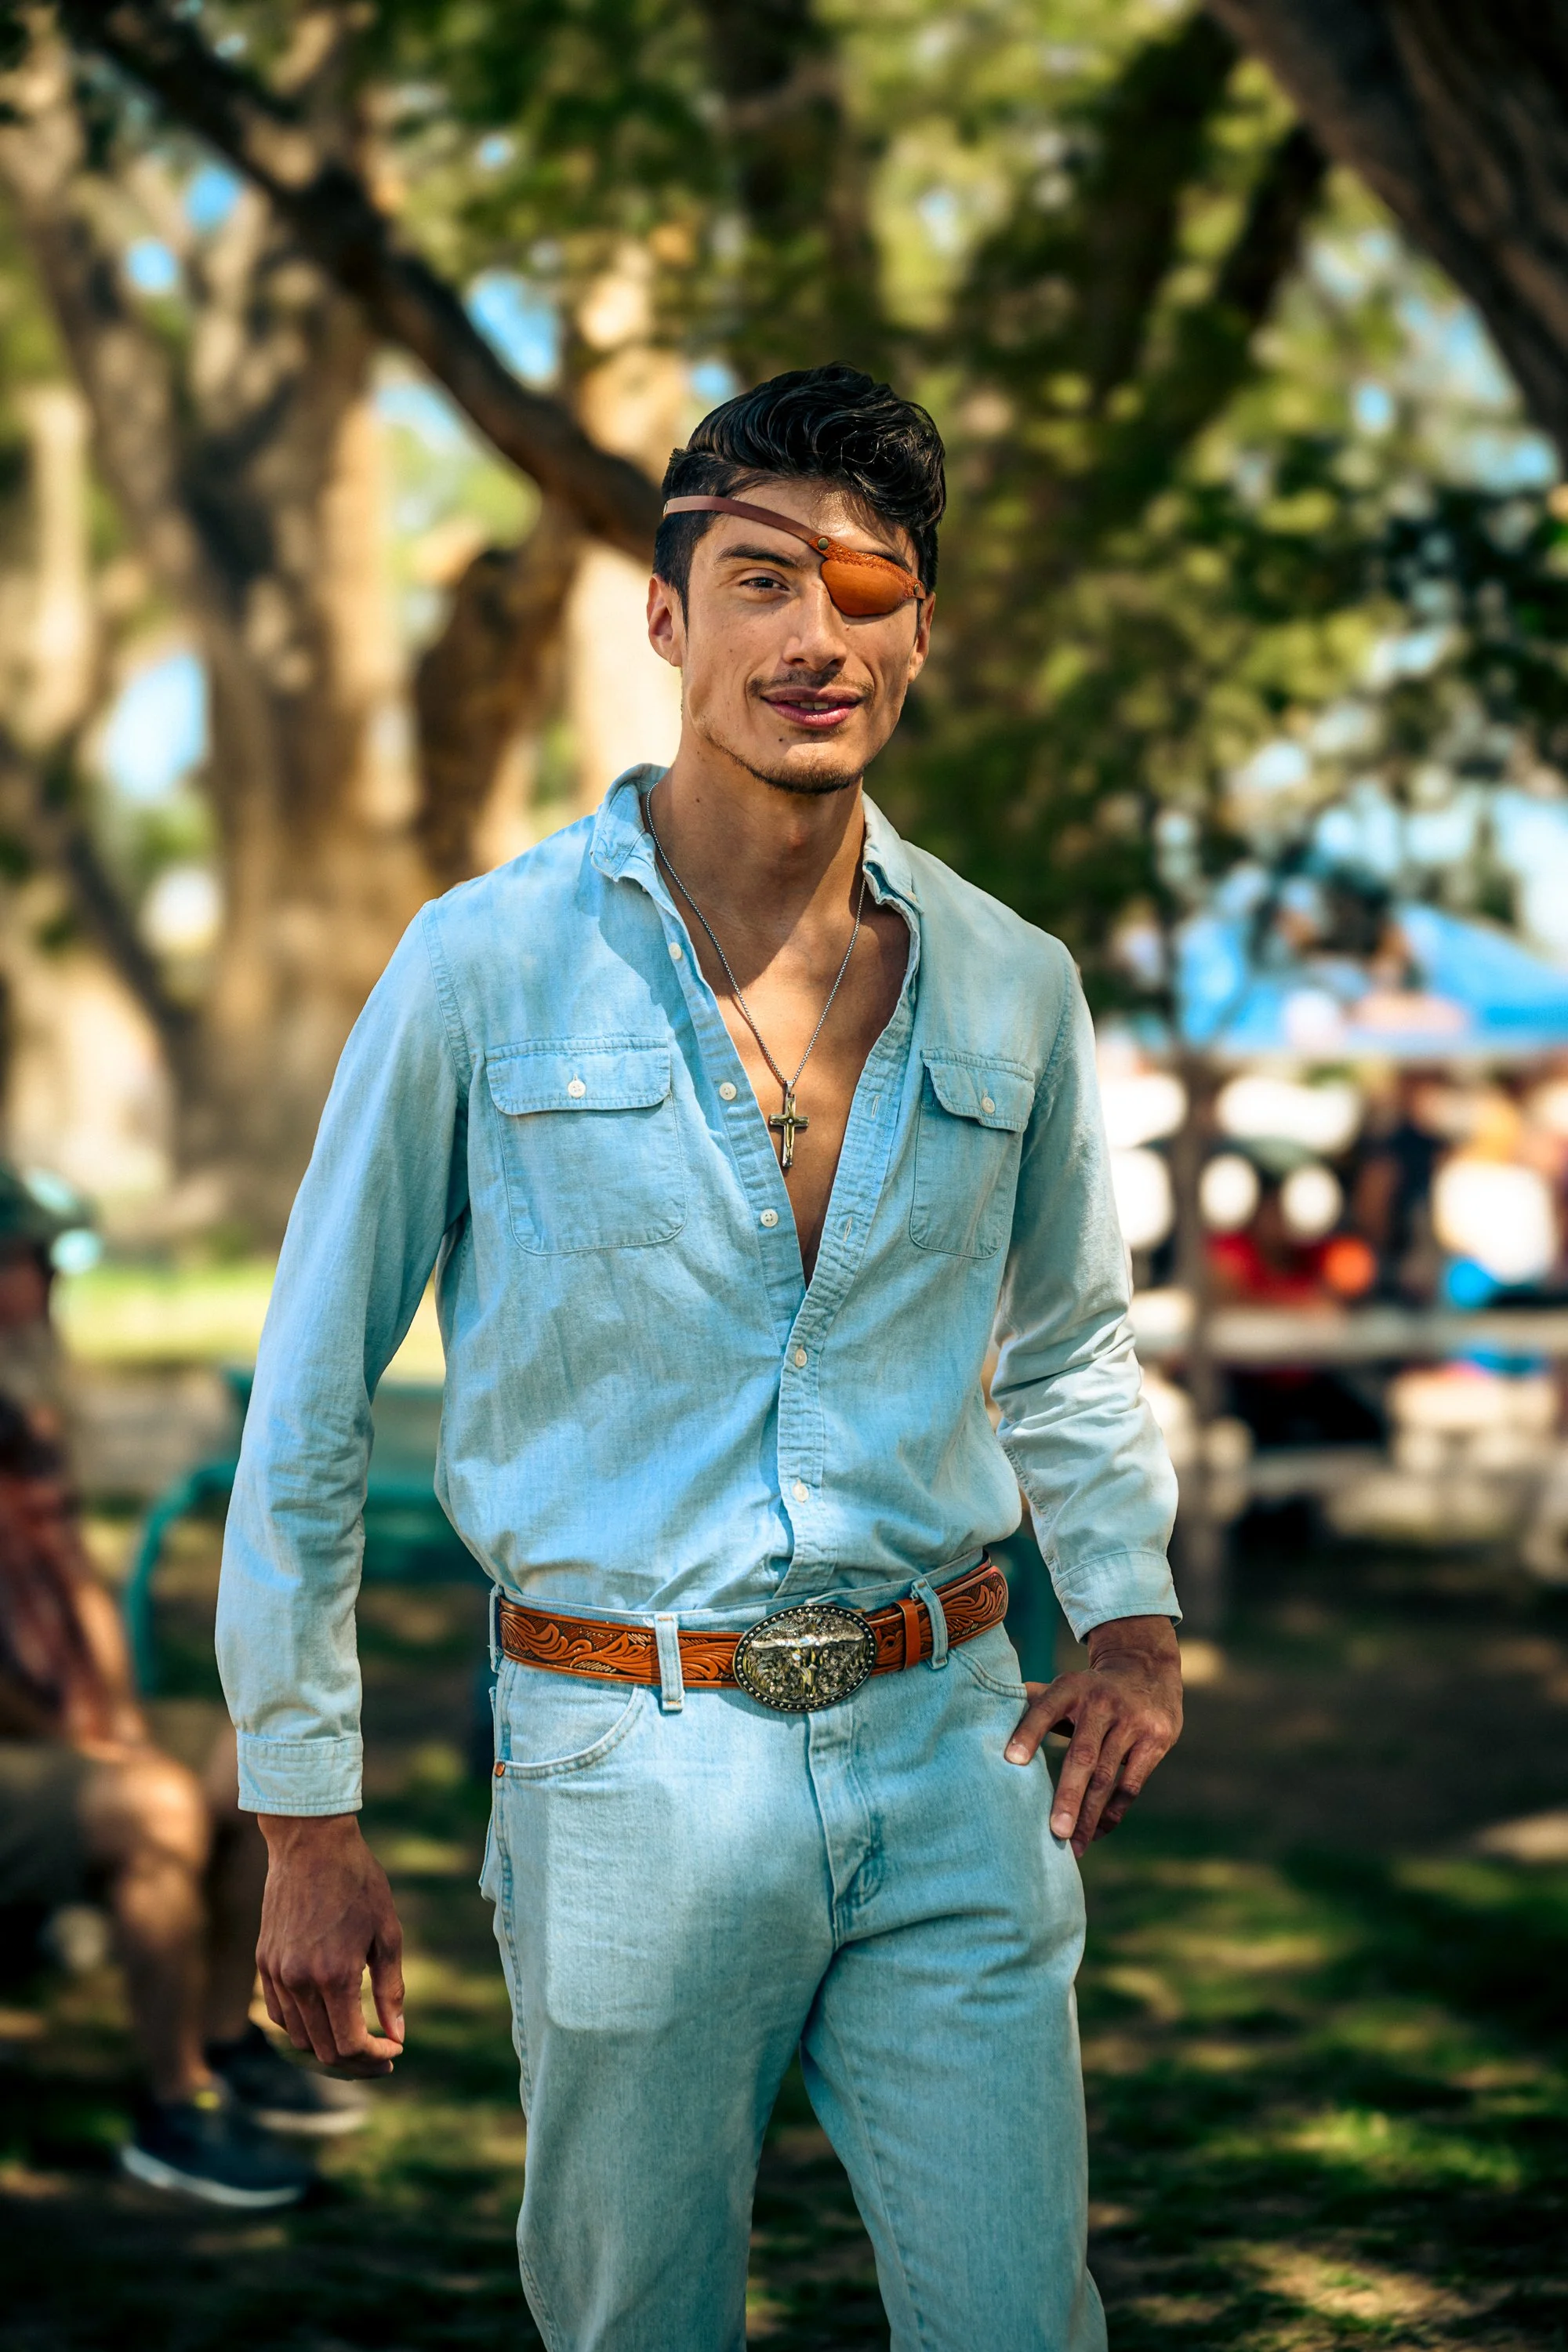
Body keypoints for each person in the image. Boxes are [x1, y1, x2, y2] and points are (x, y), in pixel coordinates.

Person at [219, 364, 1183, 2349]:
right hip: (623, 1770)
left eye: (864, 585)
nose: (811, 634)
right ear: (666, 618)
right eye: (758, 578)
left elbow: (1073, 1349)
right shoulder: (479, 966)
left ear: (921, 628)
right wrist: (302, 1815)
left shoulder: (1016, 980)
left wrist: (1131, 1616)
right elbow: (308, 1398)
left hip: (954, 1747)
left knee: (1023, 2319)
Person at [0, 1385, 365, 2205]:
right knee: (154, 1808)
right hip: (27, 1741)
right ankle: (177, 2106)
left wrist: (120, 1719)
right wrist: (86, 1747)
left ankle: (226, 2042)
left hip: (68, 1728)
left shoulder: (21, 1428)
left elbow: (81, 1588)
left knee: (252, 1759)